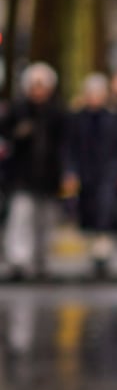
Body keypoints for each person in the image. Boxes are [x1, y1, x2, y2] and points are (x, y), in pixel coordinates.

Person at [1, 62, 67, 280]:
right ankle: (18, 261)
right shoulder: (18, 109)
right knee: (21, 217)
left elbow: (64, 145)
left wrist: (66, 172)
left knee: (44, 221)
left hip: (48, 176)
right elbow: (7, 137)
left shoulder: (56, 112)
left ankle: (40, 261)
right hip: (22, 176)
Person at [65, 73, 117, 277]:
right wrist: (71, 171)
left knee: (105, 214)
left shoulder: (112, 118)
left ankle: (102, 256)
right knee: (90, 214)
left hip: (107, 174)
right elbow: (70, 147)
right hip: (86, 174)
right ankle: (95, 253)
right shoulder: (77, 119)